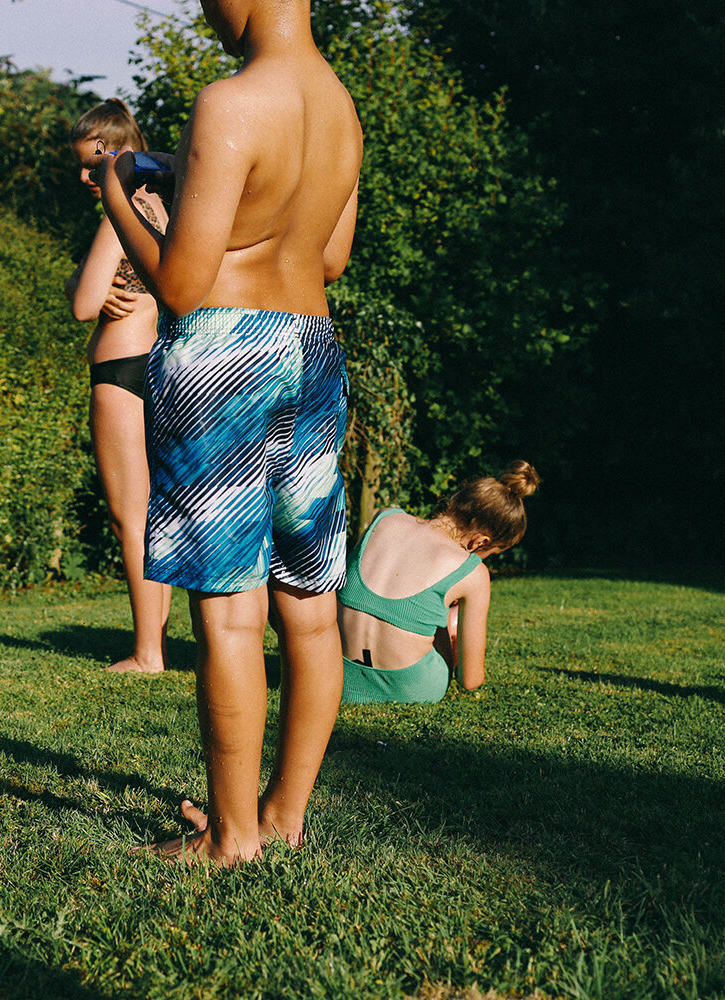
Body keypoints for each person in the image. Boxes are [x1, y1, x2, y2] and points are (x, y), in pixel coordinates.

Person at [96, 0, 363, 864]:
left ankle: (233, 838)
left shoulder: (230, 101)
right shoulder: (338, 104)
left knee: (230, 614)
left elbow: (180, 284)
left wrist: (116, 190)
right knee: (311, 610)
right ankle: (283, 813)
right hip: (312, 346)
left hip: (223, 353)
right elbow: (330, 259)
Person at [63, 99, 172, 674]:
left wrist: (79, 285)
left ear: (116, 152)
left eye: (91, 163)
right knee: (158, 512)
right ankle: (157, 643)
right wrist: (83, 282)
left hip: (119, 369)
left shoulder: (117, 211)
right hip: (163, 366)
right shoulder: (162, 207)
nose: (85, 177)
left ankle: (147, 653)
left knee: (129, 515)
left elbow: (85, 305)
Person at [338, 462, 540, 704]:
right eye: (491, 553)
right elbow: (470, 680)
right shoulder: (473, 571)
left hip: (337, 674)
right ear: (480, 542)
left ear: (455, 501)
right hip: (410, 689)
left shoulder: (384, 518)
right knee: (447, 614)